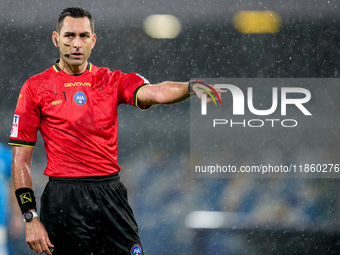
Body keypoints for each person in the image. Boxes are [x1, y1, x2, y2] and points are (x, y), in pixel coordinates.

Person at [9, 6, 222, 255]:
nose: (76, 43)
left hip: (110, 194)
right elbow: (20, 161)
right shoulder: (35, 88)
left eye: (84, 36)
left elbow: (156, 92)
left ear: (93, 40)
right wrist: (30, 217)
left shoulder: (112, 81)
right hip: (64, 198)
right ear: (56, 39)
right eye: (69, 36)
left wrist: (190, 86)